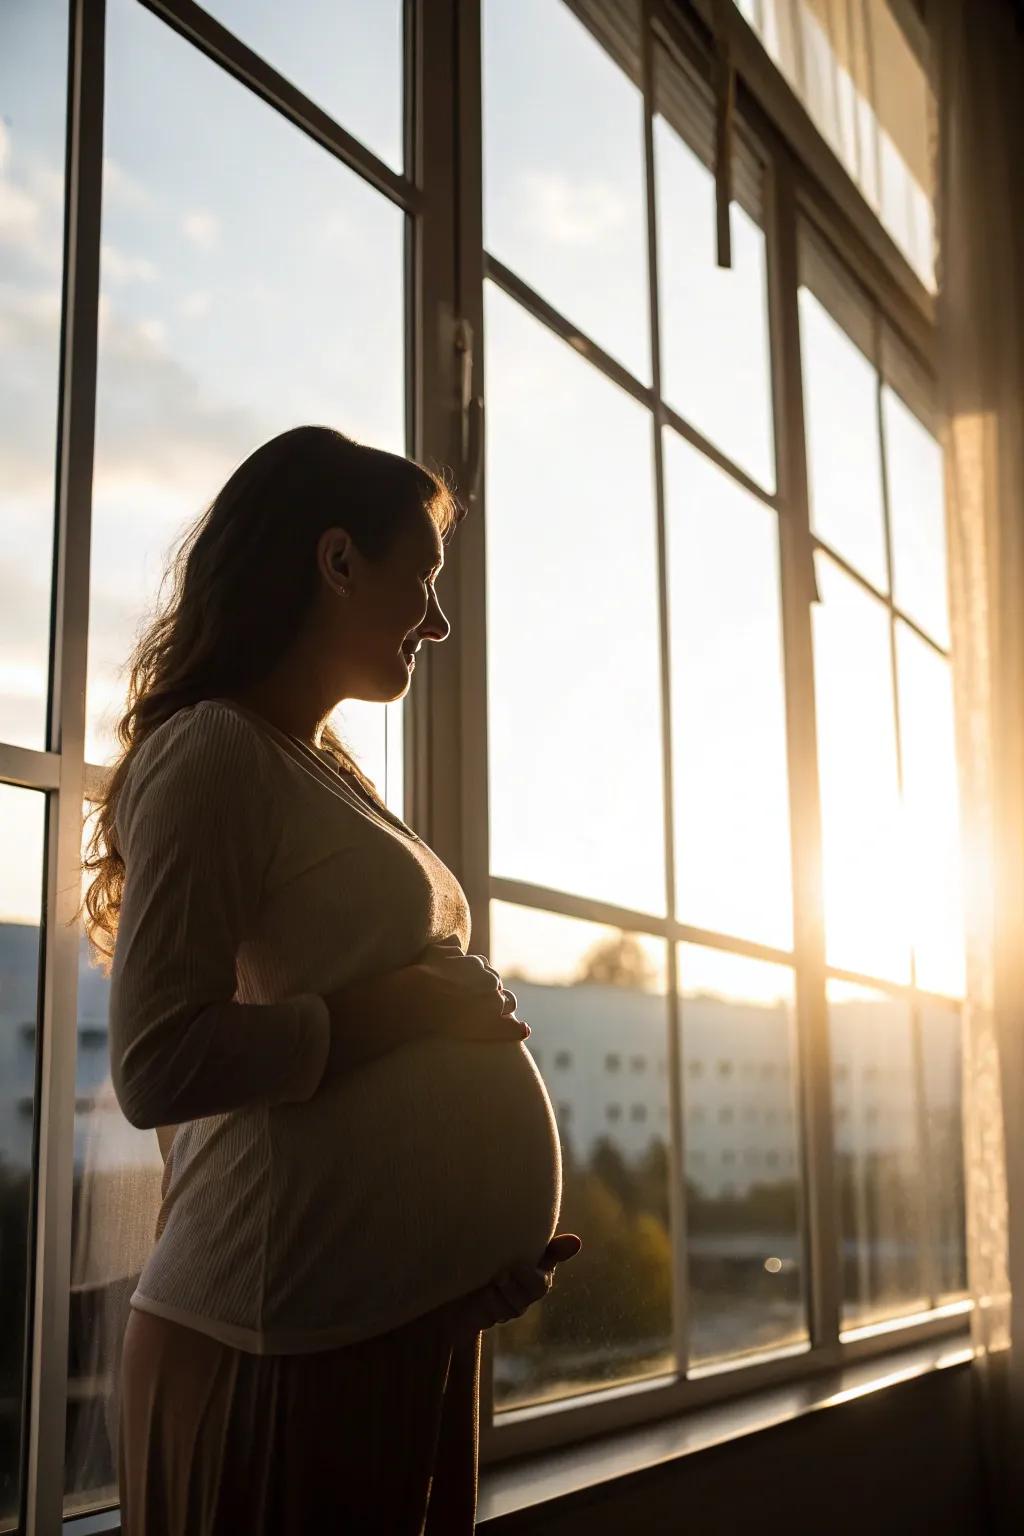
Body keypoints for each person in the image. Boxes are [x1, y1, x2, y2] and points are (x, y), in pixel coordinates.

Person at [82, 425, 582, 1535]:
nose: (439, 623)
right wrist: (397, 1010)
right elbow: (159, 1065)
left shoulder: (318, 764)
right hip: (271, 1346)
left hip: (378, 1336)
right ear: (339, 560)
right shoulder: (213, 750)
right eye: (426, 581)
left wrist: (455, 1262)